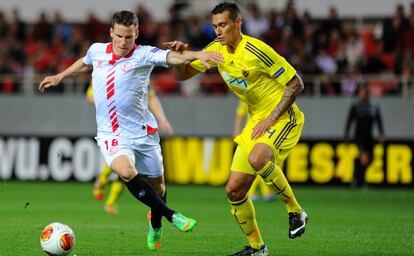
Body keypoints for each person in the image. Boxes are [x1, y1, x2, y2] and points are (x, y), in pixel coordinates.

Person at [39, 10, 222, 252]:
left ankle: (155, 222)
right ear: (111, 33)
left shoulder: (144, 54)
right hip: (112, 134)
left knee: (159, 188)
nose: (124, 43)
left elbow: (173, 58)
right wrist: (60, 76)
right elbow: (85, 62)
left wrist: (198, 54)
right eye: (120, 37)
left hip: (144, 134)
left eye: (129, 37)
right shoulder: (97, 51)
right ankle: (172, 216)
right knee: (126, 171)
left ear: (136, 34)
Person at [169, 2, 308, 255]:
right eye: (214, 27)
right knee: (234, 190)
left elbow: (295, 83)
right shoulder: (216, 50)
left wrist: (271, 118)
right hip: (256, 122)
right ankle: (257, 248)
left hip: (283, 117)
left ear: (238, 23)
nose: (218, 31)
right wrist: (182, 57)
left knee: (258, 158)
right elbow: (182, 76)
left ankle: (296, 211)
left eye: (222, 25)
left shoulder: (256, 50)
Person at [87, 84, 175, 214]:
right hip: (115, 131)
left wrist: (162, 120)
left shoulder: (139, 72)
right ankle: (102, 180)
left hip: (138, 132)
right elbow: (90, 95)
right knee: (122, 168)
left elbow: (151, 97)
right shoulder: (106, 71)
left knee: (129, 174)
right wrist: (108, 101)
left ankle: (109, 200)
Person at [233, 100, 275, 203]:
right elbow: (240, 113)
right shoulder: (249, 92)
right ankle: (251, 192)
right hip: (251, 132)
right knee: (255, 163)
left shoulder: (269, 95)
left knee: (264, 162)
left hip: (267, 131)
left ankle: (266, 191)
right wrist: (237, 130)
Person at [345, 85, 385, 188]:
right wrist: (347, 135)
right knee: (363, 158)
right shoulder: (355, 106)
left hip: (369, 137)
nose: (361, 94)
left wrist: (381, 134)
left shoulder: (374, 107)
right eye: (360, 93)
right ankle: (361, 182)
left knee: (369, 159)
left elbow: (379, 121)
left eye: (363, 92)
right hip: (359, 136)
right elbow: (349, 122)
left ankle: (355, 178)